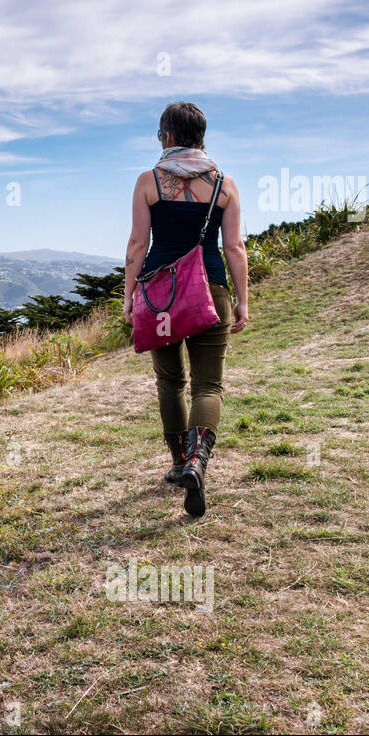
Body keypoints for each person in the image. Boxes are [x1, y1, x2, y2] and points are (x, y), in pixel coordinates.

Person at [123, 102, 250, 516]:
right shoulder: (224, 183)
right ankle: (199, 462)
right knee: (208, 386)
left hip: (161, 293)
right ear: (202, 137)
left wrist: (129, 297)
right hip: (210, 290)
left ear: (168, 136)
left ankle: (179, 463)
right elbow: (234, 247)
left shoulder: (148, 181)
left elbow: (137, 246)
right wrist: (243, 300)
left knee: (170, 382)